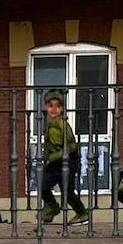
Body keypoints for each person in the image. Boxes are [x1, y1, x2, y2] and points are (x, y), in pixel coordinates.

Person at [40, 90, 87, 225]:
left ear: (62, 109)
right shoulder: (50, 123)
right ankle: (52, 207)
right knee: (43, 185)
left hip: (66, 162)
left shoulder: (62, 125)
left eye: (58, 106)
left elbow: (71, 147)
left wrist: (56, 155)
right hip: (55, 162)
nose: (54, 109)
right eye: (50, 105)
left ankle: (82, 213)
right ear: (45, 107)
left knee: (68, 192)